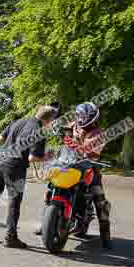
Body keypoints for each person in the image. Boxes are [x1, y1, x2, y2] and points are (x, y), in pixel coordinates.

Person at [0, 106, 58, 248]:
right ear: (48, 119)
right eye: (52, 120)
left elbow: (0, 138)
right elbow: (32, 158)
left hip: (0, 161)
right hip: (15, 167)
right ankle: (10, 237)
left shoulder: (19, 121)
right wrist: (47, 157)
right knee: (14, 201)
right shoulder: (39, 131)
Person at [36, 101, 111, 247]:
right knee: (50, 187)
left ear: (93, 117)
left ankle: (106, 236)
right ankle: (45, 225)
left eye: (84, 116)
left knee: (101, 202)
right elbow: (60, 128)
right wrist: (55, 126)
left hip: (89, 167)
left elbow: (86, 151)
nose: (81, 118)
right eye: (79, 115)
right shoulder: (74, 124)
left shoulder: (98, 133)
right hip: (68, 162)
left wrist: (67, 139)